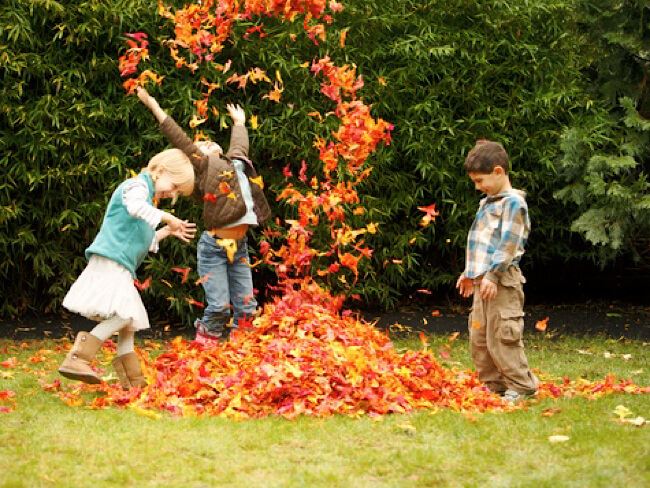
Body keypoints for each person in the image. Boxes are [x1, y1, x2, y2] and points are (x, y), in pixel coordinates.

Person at [136, 87, 271, 344]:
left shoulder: (236, 161)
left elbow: (240, 143)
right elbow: (179, 137)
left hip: (239, 247)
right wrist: (155, 107)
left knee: (246, 306)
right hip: (214, 249)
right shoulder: (205, 167)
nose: (208, 142)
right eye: (202, 144)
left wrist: (239, 122)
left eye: (210, 141)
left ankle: (242, 351)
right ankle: (205, 344)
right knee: (219, 306)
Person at [58, 148, 196, 389]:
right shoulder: (136, 187)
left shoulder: (147, 200)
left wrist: (165, 231)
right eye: (173, 186)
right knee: (125, 315)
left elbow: (141, 238)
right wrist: (167, 218)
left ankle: (133, 383)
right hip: (111, 260)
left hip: (119, 263)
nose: (171, 193)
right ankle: (78, 358)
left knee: (128, 326)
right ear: (161, 170)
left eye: (176, 192)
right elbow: (134, 208)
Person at [456, 140, 538, 403]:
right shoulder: (488, 203)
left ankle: (522, 385)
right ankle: (494, 385)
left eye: (480, 181)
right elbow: (481, 242)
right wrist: (470, 273)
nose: (478, 187)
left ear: (499, 172)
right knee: (480, 336)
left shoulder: (513, 204)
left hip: (501, 282)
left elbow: (507, 246)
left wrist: (492, 275)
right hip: (483, 282)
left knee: (503, 335)